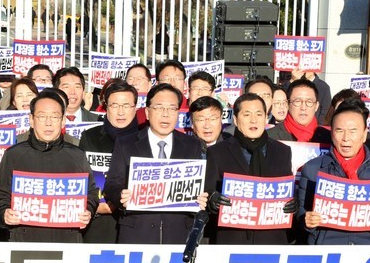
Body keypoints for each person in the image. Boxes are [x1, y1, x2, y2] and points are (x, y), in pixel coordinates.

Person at [104, 83, 207, 244]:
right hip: (137, 231)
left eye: (172, 108)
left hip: (179, 233)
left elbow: (203, 185)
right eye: (159, 108)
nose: (165, 115)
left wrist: (203, 196)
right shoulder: (126, 144)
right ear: (147, 112)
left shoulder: (192, 145)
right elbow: (112, 183)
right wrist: (121, 196)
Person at [0, 88, 98, 242]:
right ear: (31, 119)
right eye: (42, 116)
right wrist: (4, 214)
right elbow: (0, 196)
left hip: (66, 240)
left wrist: (87, 210)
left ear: (63, 120)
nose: (48, 123)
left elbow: (91, 193)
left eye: (55, 117)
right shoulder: (13, 155)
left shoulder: (77, 155)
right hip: (23, 241)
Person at [205, 92, 295, 245]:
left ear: (266, 118)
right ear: (235, 119)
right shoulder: (217, 152)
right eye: (247, 114)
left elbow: (286, 191)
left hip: (272, 239)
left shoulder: (282, 151)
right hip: (232, 239)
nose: (254, 120)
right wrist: (213, 199)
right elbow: (208, 191)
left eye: (259, 114)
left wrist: (293, 204)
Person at [297, 99, 370, 245]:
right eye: (339, 130)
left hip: (366, 250)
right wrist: (306, 221)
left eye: (353, 131)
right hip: (326, 249)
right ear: (332, 133)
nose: (346, 138)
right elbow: (300, 213)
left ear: (365, 134)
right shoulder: (313, 169)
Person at [79, 79, 140, 244]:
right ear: (106, 107)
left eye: (126, 105)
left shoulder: (147, 137)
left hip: (137, 223)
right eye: (114, 106)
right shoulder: (89, 137)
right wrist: (94, 206)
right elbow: (83, 179)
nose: (121, 112)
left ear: (135, 107)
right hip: (99, 223)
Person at [267, 78, 331, 145]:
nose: (303, 108)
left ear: (316, 106)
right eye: (297, 101)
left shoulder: (328, 138)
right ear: (287, 104)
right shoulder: (270, 137)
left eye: (309, 102)